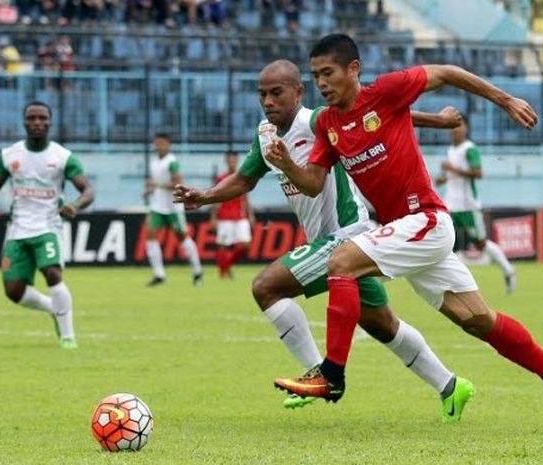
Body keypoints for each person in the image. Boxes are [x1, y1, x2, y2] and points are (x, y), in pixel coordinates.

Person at [267, 34, 543, 432]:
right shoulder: (328, 123)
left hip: (426, 220)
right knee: (476, 319)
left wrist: (506, 100)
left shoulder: (387, 91)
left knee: (341, 261)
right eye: (316, 77)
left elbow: (446, 72)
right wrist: (287, 165)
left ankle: (331, 374)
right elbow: (313, 182)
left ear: (354, 69)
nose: (322, 83)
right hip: (405, 231)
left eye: (328, 73)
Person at [175, 59, 475, 421]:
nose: (268, 102)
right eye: (262, 95)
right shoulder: (265, 134)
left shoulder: (316, 120)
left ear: (298, 92)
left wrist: (437, 122)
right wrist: (205, 196)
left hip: (348, 234)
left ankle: (321, 372)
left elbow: (374, 116)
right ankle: (451, 386)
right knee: (382, 325)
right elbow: (244, 180)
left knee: (266, 287)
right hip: (329, 243)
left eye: (276, 93)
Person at [0, 101, 94, 350]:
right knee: (13, 291)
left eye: (42, 118)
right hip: (17, 230)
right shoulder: (10, 155)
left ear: (50, 122)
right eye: (32, 118)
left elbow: (88, 190)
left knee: (52, 273)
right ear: (24, 122)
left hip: (48, 226)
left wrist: (75, 205)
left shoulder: (62, 157)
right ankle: (53, 308)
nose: (37, 122)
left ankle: (68, 337)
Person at [435, 116, 516, 293]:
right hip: (450, 205)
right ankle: (449, 284)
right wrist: (442, 180)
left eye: (459, 126)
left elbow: (478, 173)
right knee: (444, 241)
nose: (455, 130)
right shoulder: (450, 150)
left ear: (466, 129)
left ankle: (509, 270)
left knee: (480, 244)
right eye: (453, 127)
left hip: (468, 205)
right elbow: (452, 176)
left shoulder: (470, 149)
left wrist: (452, 169)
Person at [143, 133, 203, 287]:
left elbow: (178, 183)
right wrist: (149, 191)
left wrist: (155, 185)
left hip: (172, 206)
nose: (159, 146)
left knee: (182, 237)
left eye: (162, 143)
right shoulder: (154, 162)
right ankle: (159, 274)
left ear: (168, 145)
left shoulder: (172, 162)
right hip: (157, 205)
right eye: (157, 143)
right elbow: (156, 184)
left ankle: (197, 271)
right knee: (150, 235)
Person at [210, 151, 255, 279]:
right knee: (223, 246)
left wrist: (250, 214)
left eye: (234, 160)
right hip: (224, 217)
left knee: (246, 245)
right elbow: (215, 198)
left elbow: (246, 197)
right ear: (226, 161)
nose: (232, 162)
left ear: (237, 160)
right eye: (230, 160)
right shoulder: (220, 178)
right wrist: (213, 217)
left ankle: (227, 265)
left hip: (240, 216)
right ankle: (222, 274)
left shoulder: (244, 176)